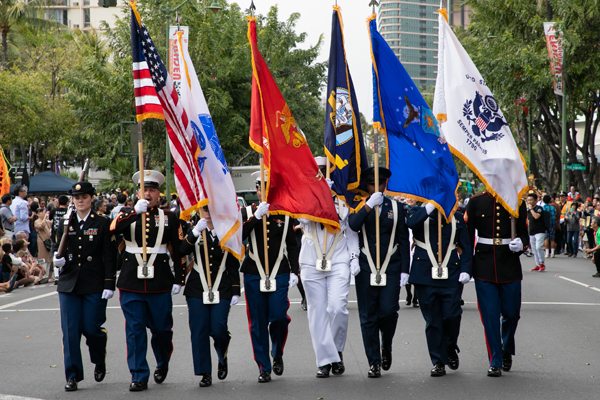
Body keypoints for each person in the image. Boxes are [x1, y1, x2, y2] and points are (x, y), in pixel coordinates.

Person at [110, 170, 185, 392]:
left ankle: (162, 362)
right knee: (135, 330)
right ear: (138, 192)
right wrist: (133, 212)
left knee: (162, 330)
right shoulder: (126, 213)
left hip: (160, 281)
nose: (148, 194)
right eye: (145, 190)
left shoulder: (170, 217)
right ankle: (139, 374)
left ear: (159, 194)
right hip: (131, 281)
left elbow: (178, 252)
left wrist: (179, 279)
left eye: (152, 190)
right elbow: (113, 231)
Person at [295, 156, 359, 378]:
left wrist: (355, 256)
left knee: (337, 307)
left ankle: (337, 351)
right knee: (317, 311)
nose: (321, 173)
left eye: (324, 169)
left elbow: (347, 224)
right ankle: (325, 360)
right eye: (317, 170)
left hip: (338, 255)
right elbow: (303, 218)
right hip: (311, 258)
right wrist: (317, 197)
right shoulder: (303, 196)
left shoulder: (341, 197)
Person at [52, 181, 117, 392]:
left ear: (92, 199)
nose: (80, 201)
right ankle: (72, 376)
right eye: (76, 198)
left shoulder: (102, 223)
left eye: (84, 197)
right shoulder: (64, 221)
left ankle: (99, 358)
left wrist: (109, 283)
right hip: (69, 282)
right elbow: (57, 246)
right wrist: (57, 261)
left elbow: (109, 256)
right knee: (70, 332)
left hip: (94, 282)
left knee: (92, 329)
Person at [348, 167, 410, 378]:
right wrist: (368, 206)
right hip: (365, 267)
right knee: (368, 318)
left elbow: (403, 239)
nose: (376, 187)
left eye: (380, 183)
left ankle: (387, 345)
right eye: (372, 183)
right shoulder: (358, 206)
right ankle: (373, 361)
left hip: (391, 267)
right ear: (367, 185)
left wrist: (405, 270)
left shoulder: (397, 207)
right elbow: (354, 226)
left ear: (385, 184)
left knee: (389, 312)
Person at [241, 171, 300, 383]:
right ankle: (263, 366)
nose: (262, 192)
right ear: (256, 190)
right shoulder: (247, 211)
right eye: (259, 188)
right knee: (257, 321)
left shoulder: (285, 213)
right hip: (254, 272)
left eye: (266, 188)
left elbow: (292, 244)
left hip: (279, 271)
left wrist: (295, 270)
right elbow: (238, 235)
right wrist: (256, 218)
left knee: (279, 317)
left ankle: (277, 352)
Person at [465, 191, 528, 377]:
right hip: (484, 264)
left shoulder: (516, 202)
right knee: (490, 317)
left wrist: (522, 244)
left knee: (512, 314)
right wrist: (466, 267)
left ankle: (506, 348)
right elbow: (468, 238)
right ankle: (495, 360)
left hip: (509, 264)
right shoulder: (476, 202)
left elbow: (525, 233)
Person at [407, 202, 472, 377]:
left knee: (452, 315)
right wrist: (428, 207)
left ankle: (450, 346)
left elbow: (465, 245)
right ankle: (438, 361)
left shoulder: (456, 217)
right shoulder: (418, 212)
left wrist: (466, 269)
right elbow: (411, 223)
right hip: (424, 275)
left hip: (450, 273)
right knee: (433, 320)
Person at [180, 205, 241, 388]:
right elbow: (182, 250)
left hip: (221, 287)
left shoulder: (226, 231)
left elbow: (232, 264)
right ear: (199, 211)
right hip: (197, 288)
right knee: (199, 331)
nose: (208, 213)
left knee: (218, 328)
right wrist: (195, 232)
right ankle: (205, 372)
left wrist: (236, 289)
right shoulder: (195, 229)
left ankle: (222, 355)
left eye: (211, 209)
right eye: (205, 209)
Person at [527, 193, 546, 271]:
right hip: (532, 231)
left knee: (538, 247)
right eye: (528, 200)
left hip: (539, 231)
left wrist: (531, 209)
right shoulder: (528, 210)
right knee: (534, 249)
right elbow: (528, 220)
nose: (529, 202)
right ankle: (537, 264)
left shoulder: (539, 208)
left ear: (536, 200)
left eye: (531, 200)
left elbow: (536, 216)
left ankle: (542, 263)